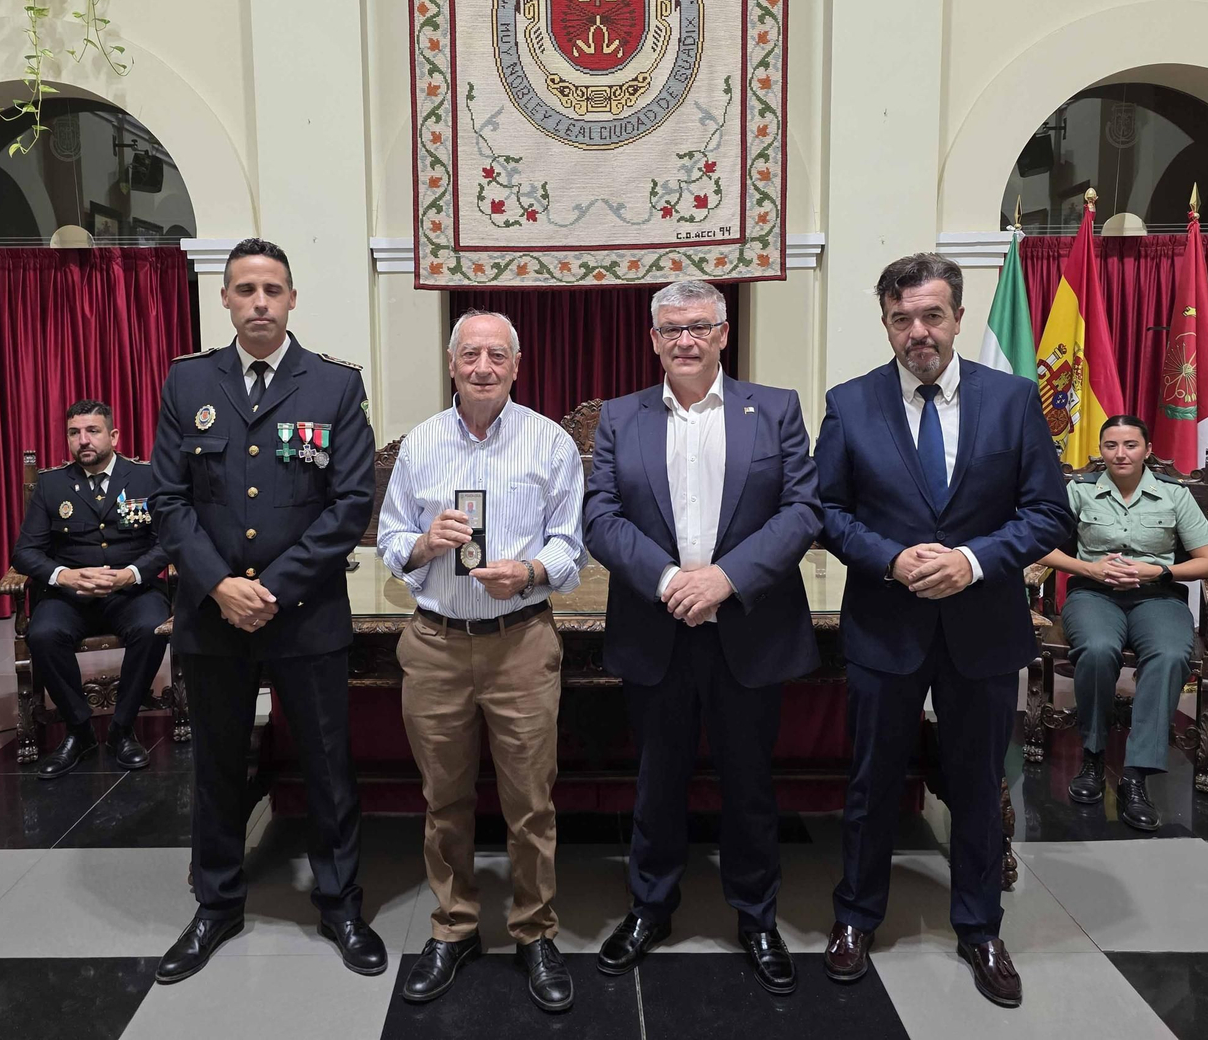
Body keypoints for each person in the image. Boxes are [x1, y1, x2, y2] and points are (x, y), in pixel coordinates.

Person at [815, 254, 1069, 1008]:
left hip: (982, 626)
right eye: (902, 319)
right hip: (884, 626)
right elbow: (826, 511)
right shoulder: (850, 402)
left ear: (958, 316)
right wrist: (891, 559)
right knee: (872, 782)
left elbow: (1049, 514)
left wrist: (972, 560)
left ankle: (980, 926)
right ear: (886, 323)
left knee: (977, 783)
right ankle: (856, 916)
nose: (917, 332)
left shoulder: (1013, 399)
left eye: (932, 315)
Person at [149, 239, 385, 984]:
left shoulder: (335, 385)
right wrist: (221, 585)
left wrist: (272, 587)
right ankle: (217, 904)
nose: (259, 302)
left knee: (326, 764)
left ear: (291, 300)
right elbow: (168, 500)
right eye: (245, 289)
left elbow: (350, 504)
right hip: (211, 612)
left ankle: (341, 903)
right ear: (224, 298)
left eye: (272, 289)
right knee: (217, 765)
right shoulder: (189, 381)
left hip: (306, 612)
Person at [584, 280, 821, 996]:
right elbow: (600, 518)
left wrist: (724, 578)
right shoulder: (620, 417)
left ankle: (756, 916)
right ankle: (649, 908)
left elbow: (802, 511)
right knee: (656, 781)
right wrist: (667, 581)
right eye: (671, 329)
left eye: (698, 326)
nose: (684, 339)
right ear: (653, 340)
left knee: (750, 783)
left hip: (748, 627)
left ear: (723, 333)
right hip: (656, 629)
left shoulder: (774, 409)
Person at [377, 309, 586, 1013]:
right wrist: (423, 544)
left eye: (498, 355)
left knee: (530, 803)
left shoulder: (550, 441)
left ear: (517, 366)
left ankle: (535, 931)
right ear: (452, 363)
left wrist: (529, 572)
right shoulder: (420, 444)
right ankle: (454, 924)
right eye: (471, 354)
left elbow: (570, 546)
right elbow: (390, 540)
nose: (483, 366)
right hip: (435, 643)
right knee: (444, 800)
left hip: (521, 642)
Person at [1036, 415, 1208, 830]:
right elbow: (1041, 546)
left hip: (1157, 596)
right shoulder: (1079, 491)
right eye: (1111, 445)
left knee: (1170, 654)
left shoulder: (1174, 494)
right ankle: (1093, 756)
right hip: (1093, 594)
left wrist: (1160, 571)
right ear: (1101, 451)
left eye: (1131, 445)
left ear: (1148, 450)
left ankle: (1137, 774)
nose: (1120, 454)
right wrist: (1090, 568)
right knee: (1097, 649)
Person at [11, 398, 172, 777]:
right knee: (43, 634)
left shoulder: (147, 478)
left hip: (131, 591)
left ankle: (122, 728)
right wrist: (62, 576)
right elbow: (24, 552)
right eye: (74, 433)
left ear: (113, 436)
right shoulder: (51, 485)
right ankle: (79, 729)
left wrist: (131, 573)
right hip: (70, 597)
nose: (83, 440)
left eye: (92, 431)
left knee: (153, 628)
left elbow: (168, 541)